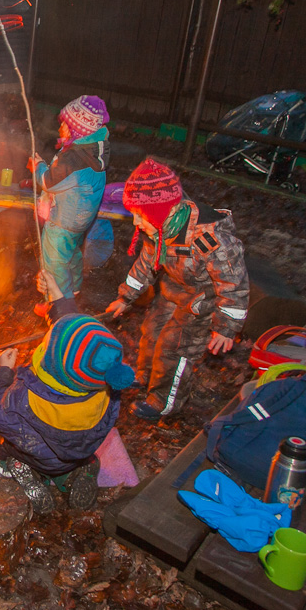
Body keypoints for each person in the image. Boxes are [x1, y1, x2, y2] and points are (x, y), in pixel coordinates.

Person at [105, 158, 249, 422]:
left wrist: (227, 327)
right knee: (152, 330)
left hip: (202, 301)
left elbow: (233, 283)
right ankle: (145, 376)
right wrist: (126, 297)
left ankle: (163, 401)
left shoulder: (210, 239)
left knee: (174, 347)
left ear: (161, 211)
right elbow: (147, 262)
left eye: (140, 214)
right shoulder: (158, 229)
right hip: (173, 288)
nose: (135, 222)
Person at [0, 270, 135, 514]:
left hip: (37, 455)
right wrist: (57, 297)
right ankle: (76, 473)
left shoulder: (27, 396)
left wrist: (3, 373)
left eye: (48, 339)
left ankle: (27, 473)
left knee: (0, 441)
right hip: (75, 452)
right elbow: (72, 333)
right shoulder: (103, 390)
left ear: (51, 363)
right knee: (73, 454)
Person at [28, 95, 110, 317]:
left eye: (66, 123)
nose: (61, 126)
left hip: (63, 220)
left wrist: (38, 167)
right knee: (72, 253)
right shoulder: (95, 148)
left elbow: (48, 182)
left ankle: (59, 306)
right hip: (81, 218)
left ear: (79, 130)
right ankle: (74, 289)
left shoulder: (73, 159)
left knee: (54, 260)